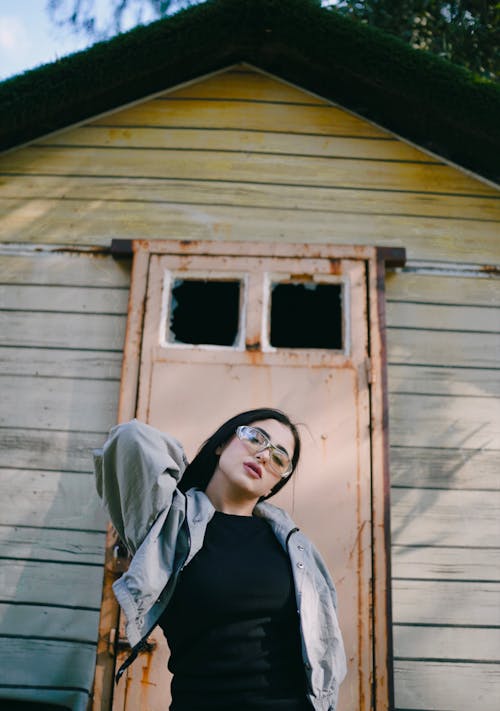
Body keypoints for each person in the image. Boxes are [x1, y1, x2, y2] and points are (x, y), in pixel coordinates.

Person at [94, 407, 346, 711]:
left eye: (279, 457)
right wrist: (185, 477)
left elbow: (325, 653)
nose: (264, 456)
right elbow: (130, 438)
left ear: (273, 485)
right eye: (255, 438)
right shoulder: (171, 523)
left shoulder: (295, 547)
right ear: (222, 443)